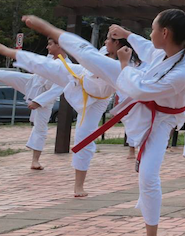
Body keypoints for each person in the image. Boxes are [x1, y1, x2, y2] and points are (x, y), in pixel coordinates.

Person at [24, 11, 185, 236]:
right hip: (138, 84)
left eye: (153, 28)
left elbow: (139, 90)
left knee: (148, 176)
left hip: (161, 117)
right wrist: (127, 34)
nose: (150, 33)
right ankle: (50, 29)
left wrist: (124, 64)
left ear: (165, 33)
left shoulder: (184, 72)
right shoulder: (172, 51)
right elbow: (149, 49)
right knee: (88, 56)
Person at [2, 38, 116, 198]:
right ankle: (5, 50)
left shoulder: (124, 65)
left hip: (96, 98)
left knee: (83, 137)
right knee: (16, 71)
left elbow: (133, 87)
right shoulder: (100, 52)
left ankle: (78, 185)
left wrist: (38, 101)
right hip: (71, 78)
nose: (105, 40)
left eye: (110, 38)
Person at [0, 39, 64, 170]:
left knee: (40, 128)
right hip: (31, 82)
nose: (47, 47)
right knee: (4, 74)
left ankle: (35, 160)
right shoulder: (49, 58)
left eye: (50, 44)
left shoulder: (65, 65)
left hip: (45, 99)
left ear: (59, 46)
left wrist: (38, 101)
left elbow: (58, 89)